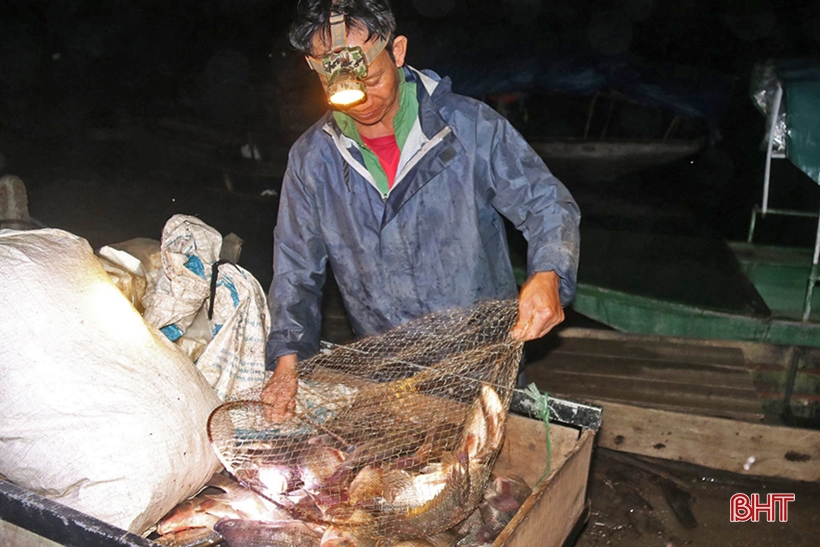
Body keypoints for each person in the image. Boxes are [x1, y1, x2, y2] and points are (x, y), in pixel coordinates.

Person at [262, 0, 580, 421]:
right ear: (314, 68)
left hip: (482, 367)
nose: (362, 101)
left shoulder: (470, 128)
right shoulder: (312, 161)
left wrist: (548, 273)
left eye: (372, 78)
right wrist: (287, 360)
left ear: (398, 52)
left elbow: (546, 204)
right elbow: (296, 270)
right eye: (342, 89)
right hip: (386, 377)